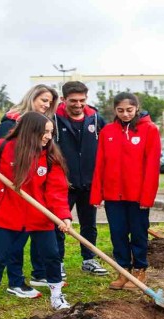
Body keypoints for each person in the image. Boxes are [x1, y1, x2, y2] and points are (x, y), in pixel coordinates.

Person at [0, 112, 73, 319]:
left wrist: (63, 216)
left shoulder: (50, 156)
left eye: (51, 132)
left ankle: (57, 295)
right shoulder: (4, 147)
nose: (48, 137)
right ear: (30, 130)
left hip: (40, 214)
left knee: (51, 255)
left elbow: (56, 191)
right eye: (45, 132)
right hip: (7, 214)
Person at [90, 93, 161, 289]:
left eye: (129, 110)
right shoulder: (107, 131)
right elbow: (100, 163)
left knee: (138, 233)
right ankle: (123, 270)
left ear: (137, 108)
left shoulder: (150, 130)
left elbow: (152, 166)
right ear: (115, 110)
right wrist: (97, 194)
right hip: (113, 195)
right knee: (118, 233)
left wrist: (147, 197)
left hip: (137, 196)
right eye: (120, 110)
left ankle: (139, 269)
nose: (125, 114)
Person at [0, 84, 62, 286]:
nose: (47, 105)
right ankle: (16, 281)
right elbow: (1, 157)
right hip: (14, 193)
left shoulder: (46, 125)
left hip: (37, 192)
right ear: (31, 98)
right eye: (43, 100)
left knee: (41, 234)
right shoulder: (10, 123)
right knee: (16, 240)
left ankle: (39, 273)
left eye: (50, 102)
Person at [54, 81, 108, 276]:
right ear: (63, 99)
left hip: (89, 184)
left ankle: (89, 260)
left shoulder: (96, 119)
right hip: (63, 184)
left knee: (89, 224)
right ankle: (58, 262)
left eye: (82, 100)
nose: (78, 104)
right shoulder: (53, 120)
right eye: (73, 100)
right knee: (58, 225)